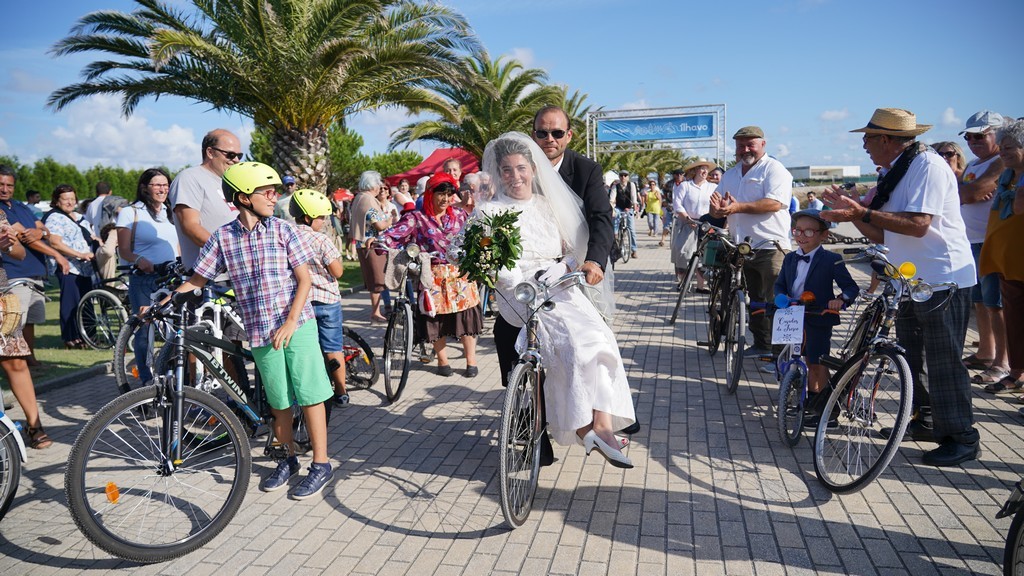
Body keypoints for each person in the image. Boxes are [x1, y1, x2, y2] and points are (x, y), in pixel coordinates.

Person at [821, 108, 979, 466]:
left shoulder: (928, 166)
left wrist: (859, 213)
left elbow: (919, 224)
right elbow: (884, 230)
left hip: (942, 278)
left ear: (887, 140)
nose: (864, 145)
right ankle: (927, 420)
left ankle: (963, 437)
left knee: (943, 361)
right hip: (909, 279)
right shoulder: (897, 170)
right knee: (912, 357)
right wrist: (854, 215)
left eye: (868, 138)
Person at [169, 162, 334, 499]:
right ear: (244, 198)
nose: (275, 197)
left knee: (310, 393)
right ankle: (288, 459)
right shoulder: (223, 238)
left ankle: (321, 463)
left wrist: (290, 322)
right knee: (279, 400)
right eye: (267, 192)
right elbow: (197, 279)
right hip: (260, 332)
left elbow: (304, 280)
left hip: (297, 325)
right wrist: (163, 302)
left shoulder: (284, 231)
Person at [479, 132, 636, 467]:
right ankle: (581, 428)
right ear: (498, 173)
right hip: (517, 289)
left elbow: (569, 249)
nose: (515, 176)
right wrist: (505, 272)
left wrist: (563, 265)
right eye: (507, 170)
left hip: (555, 284)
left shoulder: (548, 206)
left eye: (521, 168)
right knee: (569, 347)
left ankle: (603, 427)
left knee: (599, 337)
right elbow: (476, 254)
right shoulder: (489, 212)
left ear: (533, 170)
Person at [374, 172, 481, 377]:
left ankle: (471, 361)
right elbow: (394, 233)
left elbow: (476, 236)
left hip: (461, 275)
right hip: (432, 275)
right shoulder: (417, 218)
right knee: (435, 320)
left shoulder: (460, 215)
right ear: (430, 194)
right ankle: (443, 361)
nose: (446, 199)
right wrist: (380, 242)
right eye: (441, 193)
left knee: (467, 317)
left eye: (450, 194)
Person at [710, 126, 793, 359]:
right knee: (755, 300)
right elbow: (718, 207)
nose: (745, 149)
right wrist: (716, 211)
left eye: (750, 145)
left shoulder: (775, 170)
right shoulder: (731, 174)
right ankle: (762, 344)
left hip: (771, 246)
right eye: (740, 145)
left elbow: (774, 203)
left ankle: (781, 354)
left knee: (776, 301)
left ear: (763, 145)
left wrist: (737, 207)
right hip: (742, 247)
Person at [772, 209, 859, 424]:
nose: (801, 236)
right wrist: (780, 296)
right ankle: (800, 397)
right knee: (795, 356)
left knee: (816, 362)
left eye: (809, 232)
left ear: (823, 235)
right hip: (793, 315)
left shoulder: (831, 259)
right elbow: (780, 284)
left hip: (818, 315)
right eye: (797, 230)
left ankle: (825, 410)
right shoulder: (791, 257)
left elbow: (851, 287)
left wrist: (841, 299)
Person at [531, 105, 614, 287]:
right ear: (533, 135)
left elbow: (601, 216)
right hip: (530, 266)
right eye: (542, 133)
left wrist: (595, 261)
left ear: (569, 136)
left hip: (577, 264)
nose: (550, 139)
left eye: (557, 133)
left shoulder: (587, 170)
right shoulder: (520, 168)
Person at [957, 111, 1009, 387]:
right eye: (969, 137)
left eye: (980, 135)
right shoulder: (975, 164)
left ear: (998, 136)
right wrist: (970, 191)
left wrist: (971, 192)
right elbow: (967, 192)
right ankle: (986, 351)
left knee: (996, 304)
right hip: (972, 242)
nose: (973, 141)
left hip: (993, 242)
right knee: (980, 301)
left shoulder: (1002, 161)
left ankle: (1004, 361)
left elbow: (970, 194)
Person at [0, 165, 70, 366]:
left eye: (9, 185)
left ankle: (30, 360)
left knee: (30, 320)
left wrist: (42, 233)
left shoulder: (19, 206)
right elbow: (24, 237)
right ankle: (16, 363)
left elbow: (41, 229)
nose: (5, 189)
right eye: (1, 184)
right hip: (14, 273)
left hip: (34, 272)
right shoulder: (2, 211)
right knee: (14, 322)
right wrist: (57, 254)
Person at [116, 168, 180, 384]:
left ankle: (171, 376)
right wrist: (139, 261)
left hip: (171, 277)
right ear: (144, 187)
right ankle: (146, 380)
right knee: (145, 330)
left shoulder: (171, 211)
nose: (162, 189)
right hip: (144, 278)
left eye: (165, 184)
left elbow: (177, 245)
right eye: (157, 184)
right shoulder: (131, 212)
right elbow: (123, 249)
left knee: (177, 330)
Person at [289, 189, 349, 406]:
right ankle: (341, 392)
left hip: (301, 302)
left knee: (307, 349)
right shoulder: (321, 240)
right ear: (307, 217)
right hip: (327, 301)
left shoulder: (288, 236)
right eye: (321, 217)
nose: (324, 222)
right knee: (333, 347)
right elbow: (338, 272)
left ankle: (308, 391)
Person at [0, 209, 52, 448]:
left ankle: (35, 426)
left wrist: (7, 246)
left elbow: (19, 253)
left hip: (1, 299)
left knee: (16, 362)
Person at [979, 119, 1024, 396]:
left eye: (1009, 147)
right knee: (1015, 321)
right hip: (1007, 263)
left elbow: (1018, 208)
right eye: (1002, 147)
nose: (1003, 152)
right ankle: (1017, 373)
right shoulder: (1008, 176)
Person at [169, 129, 242, 270]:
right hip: (208, 280)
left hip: (236, 275)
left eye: (239, 155)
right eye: (231, 154)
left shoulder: (232, 183)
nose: (236, 160)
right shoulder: (189, 178)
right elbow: (190, 227)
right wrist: (230, 254)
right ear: (210, 152)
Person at [41, 184, 96, 349]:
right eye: (65, 199)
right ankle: (71, 337)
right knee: (70, 303)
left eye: (72, 198)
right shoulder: (54, 218)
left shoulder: (79, 217)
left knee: (86, 302)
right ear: (57, 201)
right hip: (68, 266)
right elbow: (55, 243)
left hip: (85, 268)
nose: (70, 202)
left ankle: (89, 336)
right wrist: (79, 254)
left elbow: (90, 237)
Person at [350, 171, 393, 322]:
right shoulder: (368, 200)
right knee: (377, 280)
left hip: (362, 244)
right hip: (372, 245)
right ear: (373, 185)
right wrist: (390, 220)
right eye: (378, 184)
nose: (379, 187)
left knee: (372, 280)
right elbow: (379, 225)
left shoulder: (358, 198)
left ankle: (376, 311)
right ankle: (376, 313)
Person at [672, 159, 717, 290]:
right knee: (684, 253)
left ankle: (701, 286)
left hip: (706, 224)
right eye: (702, 168)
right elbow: (677, 204)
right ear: (696, 170)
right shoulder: (685, 186)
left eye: (706, 169)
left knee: (703, 255)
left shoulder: (712, 187)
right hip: (687, 223)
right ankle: (684, 283)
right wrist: (687, 219)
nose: (704, 171)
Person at [610, 170, 639, 259]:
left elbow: (634, 198)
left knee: (631, 229)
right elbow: (611, 199)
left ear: (628, 177)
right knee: (615, 221)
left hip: (628, 208)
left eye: (625, 175)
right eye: (621, 175)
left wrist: (635, 210)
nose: (623, 177)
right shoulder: (615, 186)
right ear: (619, 177)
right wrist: (612, 209)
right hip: (619, 207)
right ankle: (615, 242)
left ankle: (634, 250)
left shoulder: (632, 185)